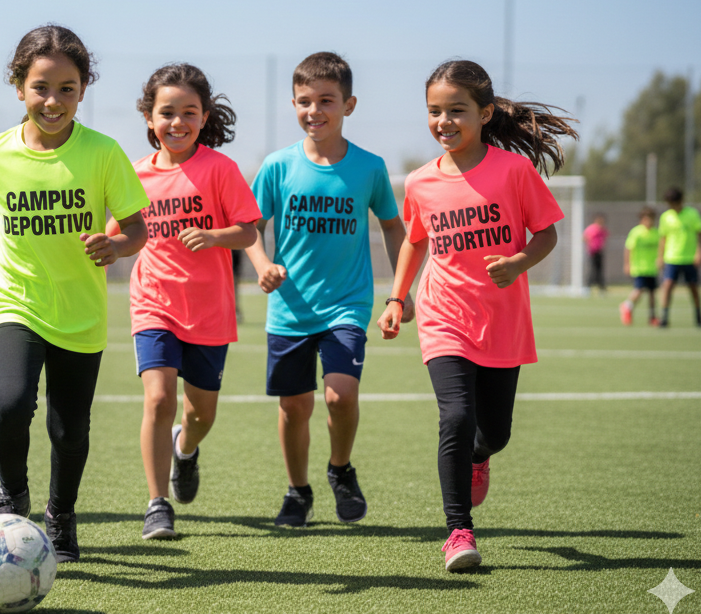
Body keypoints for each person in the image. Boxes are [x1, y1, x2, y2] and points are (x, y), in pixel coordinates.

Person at [0, 25, 150, 562]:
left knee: (69, 426)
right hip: (13, 299)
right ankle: (13, 496)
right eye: (41, 88)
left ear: (83, 90)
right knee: (8, 403)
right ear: (18, 86)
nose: (53, 101)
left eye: (68, 89)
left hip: (80, 311)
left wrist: (117, 245)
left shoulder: (103, 153)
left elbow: (137, 227)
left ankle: (62, 513)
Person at [377, 59, 577, 572]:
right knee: (456, 417)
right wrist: (398, 300)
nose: (443, 121)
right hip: (444, 316)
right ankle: (458, 531)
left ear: (485, 113)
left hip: (503, 321)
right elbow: (415, 242)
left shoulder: (514, 171)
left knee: (494, 433)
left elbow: (547, 233)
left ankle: (480, 458)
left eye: (456, 110)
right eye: (433, 111)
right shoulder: (421, 182)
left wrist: (519, 262)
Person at [244, 52, 408, 529]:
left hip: (347, 304)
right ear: (293, 104)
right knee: (295, 406)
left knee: (339, 396)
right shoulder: (277, 167)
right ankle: (297, 492)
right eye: (304, 101)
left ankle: (340, 468)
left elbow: (394, 230)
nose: (314, 111)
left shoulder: (370, 168)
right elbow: (251, 227)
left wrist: (401, 289)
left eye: (326, 101)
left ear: (348, 105)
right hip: (290, 309)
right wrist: (262, 264)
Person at [121, 63, 260, 540]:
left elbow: (248, 231)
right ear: (148, 116)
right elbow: (123, 234)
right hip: (153, 303)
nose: (176, 122)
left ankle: (186, 448)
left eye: (188, 113)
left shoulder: (220, 170)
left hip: (208, 312)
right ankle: (157, 504)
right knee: (159, 399)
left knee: (200, 414)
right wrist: (103, 243)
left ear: (203, 118)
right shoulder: (133, 174)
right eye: (166, 113)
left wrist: (215, 235)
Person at [657, 187, 701, 328]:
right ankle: (665, 318)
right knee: (667, 286)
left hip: (689, 258)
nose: (672, 207)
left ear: (681, 201)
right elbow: (663, 238)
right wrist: (660, 257)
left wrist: (699, 252)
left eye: (674, 203)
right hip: (672, 258)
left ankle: (698, 316)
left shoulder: (692, 214)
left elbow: (700, 234)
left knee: (693, 288)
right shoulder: (666, 217)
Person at [619, 207, 660, 326]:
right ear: (642, 219)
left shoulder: (656, 233)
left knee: (652, 293)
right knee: (639, 290)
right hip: (639, 267)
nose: (649, 222)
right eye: (647, 219)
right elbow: (628, 248)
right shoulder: (636, 232)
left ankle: (652, 317)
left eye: (651, 219)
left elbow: (660, 248)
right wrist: (627, 264)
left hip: (652, 268)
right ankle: (627, 305)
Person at [583, 214, 607, 293]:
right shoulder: (591, 228)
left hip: (599, 252)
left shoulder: (602, 229)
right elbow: (585, 237)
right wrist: (590, 245)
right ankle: (588, 287)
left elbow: (605, 237)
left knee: (599, 271)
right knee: (592, 270)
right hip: (592, 252)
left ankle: (601, 288)